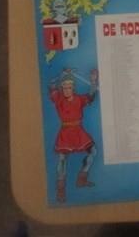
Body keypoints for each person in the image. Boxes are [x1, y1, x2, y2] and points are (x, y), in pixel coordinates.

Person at [48, 68, 98, 203]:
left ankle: (82, 179)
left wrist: (93, 81)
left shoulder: (79, 99)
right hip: (65, 133)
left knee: (93, 151)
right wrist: (62, 74)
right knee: (62, 159)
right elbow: (51, 84)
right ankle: (60, 190)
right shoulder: (58, 99)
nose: (66, 90)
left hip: (78, 131)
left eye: (69, 88)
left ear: (73, 88)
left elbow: (91, 96)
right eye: (64, 88)